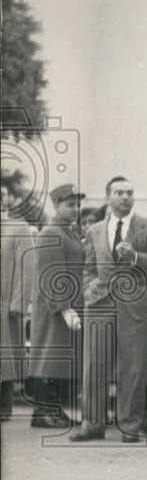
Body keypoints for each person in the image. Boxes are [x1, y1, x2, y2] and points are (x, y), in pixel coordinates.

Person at [71, 177, 147, 442]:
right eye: (119, 192)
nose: (125, 197)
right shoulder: (94, 230)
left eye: (129, 192)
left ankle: (129, 425)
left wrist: (136, 257)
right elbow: (89, 266)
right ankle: (92, 423)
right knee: (94, 365)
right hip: (100, 304)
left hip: (137, 305)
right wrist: (89, 288)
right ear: (108, 197)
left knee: (133, 367)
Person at [27, 184, 86, 430]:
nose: (75, 209)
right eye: (69, 204)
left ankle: (53, 409)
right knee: (48, 357)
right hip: (55, 307)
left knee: (59, 358)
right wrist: (64, 308)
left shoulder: (67, 231)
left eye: (77, 204)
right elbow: (50, 274)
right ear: (57, 205)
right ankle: (43, 411)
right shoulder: (51, 232)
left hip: (66, 304)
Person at [0, 180, 37, 420]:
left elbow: (28, 267)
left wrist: (18, 304)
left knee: (4, 358)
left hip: (4, 303)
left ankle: (3, 405)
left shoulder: (19, 228)